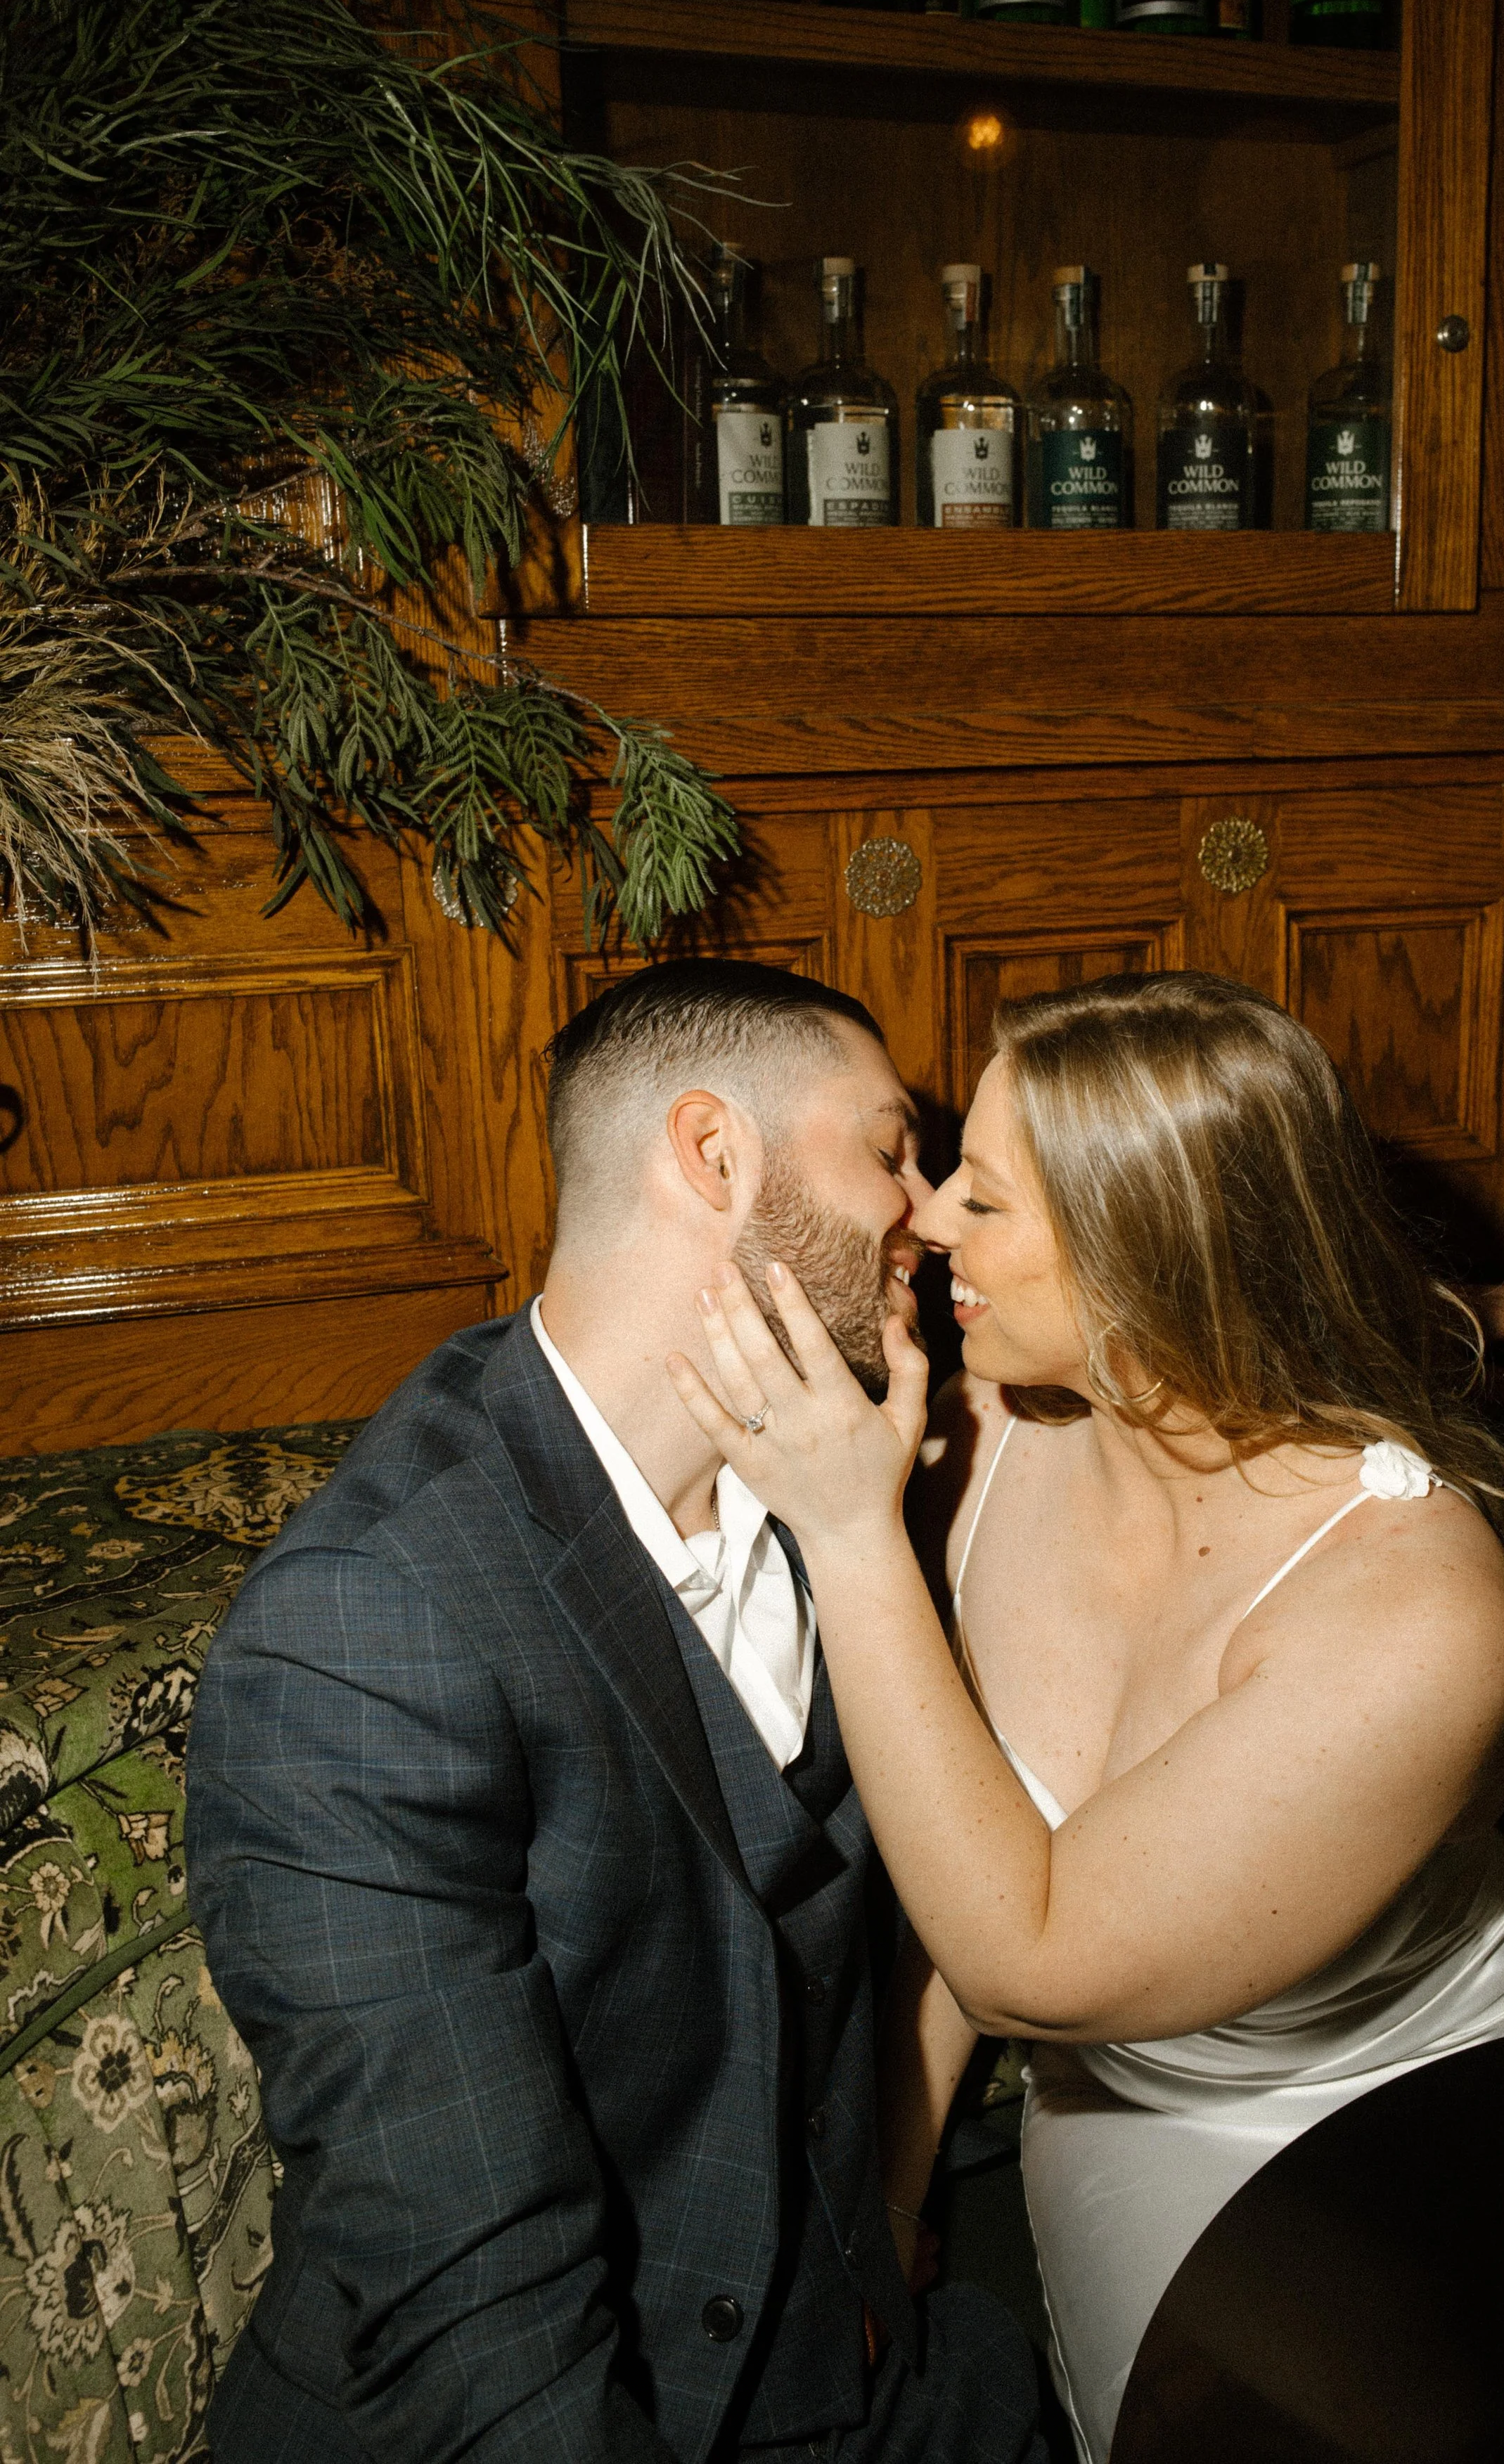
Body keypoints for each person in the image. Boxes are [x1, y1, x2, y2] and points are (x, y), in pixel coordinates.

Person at [662, 970, 1504, 2464]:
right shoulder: (978, 1429)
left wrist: (850, 1536)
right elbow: (960, 1878)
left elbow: (1024, 1959)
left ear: (1145, 1251)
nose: (929, 1218)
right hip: (1158, 2133)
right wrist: (886, 2202)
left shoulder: (1417, 1612)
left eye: (983, 1197)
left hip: (1498, 2091)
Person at [186, 960, 1046, 2464]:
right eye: (890, 1150)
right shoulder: (367, 1621)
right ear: (713, 1154)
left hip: (855, 2362)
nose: (927, 1210)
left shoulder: (855, 1460)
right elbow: (480, 2327)